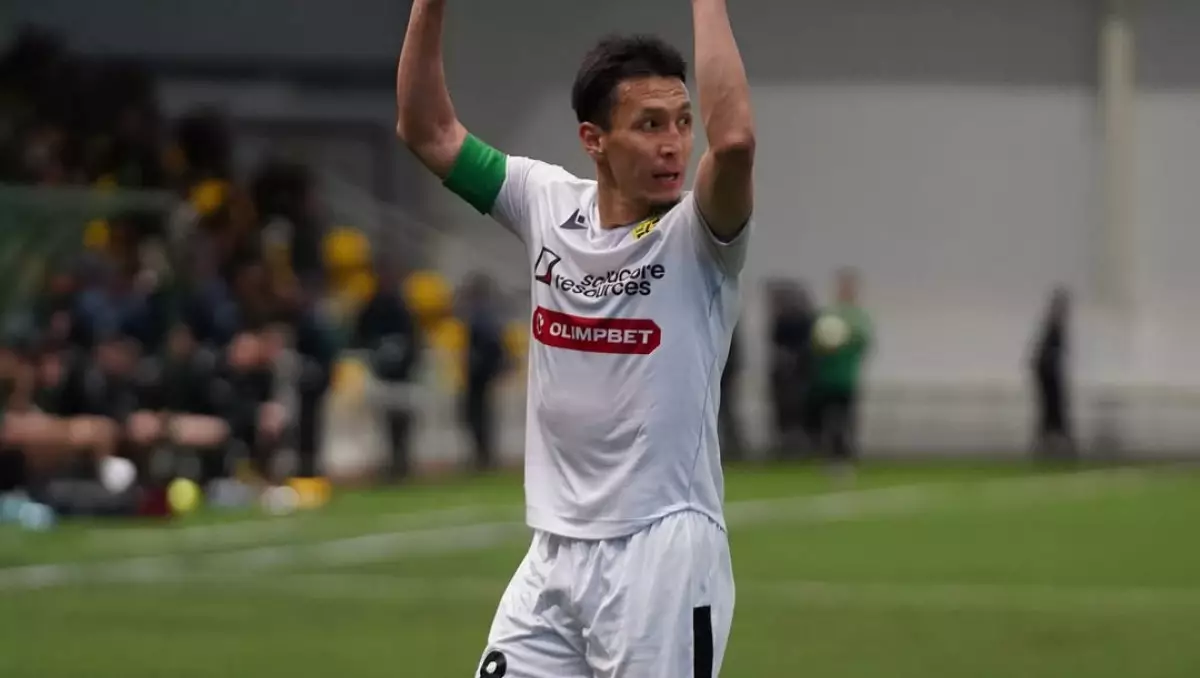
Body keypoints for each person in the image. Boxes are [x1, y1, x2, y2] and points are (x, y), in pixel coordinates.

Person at [396, 0, 755, 675]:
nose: (675, 144)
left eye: (682, 122)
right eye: (649, 125)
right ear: (594, 139)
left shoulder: (699, 235)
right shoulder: (544, 201)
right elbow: (428, 129)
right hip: (553, 553)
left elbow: (733, 142)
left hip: (660, 554)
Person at [808, 268, 871, 472]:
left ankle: (846, 457)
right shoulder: (828, 315)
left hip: (847, 378)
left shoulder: (858, 317)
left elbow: (864, 342)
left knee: (846, 419)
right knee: (828, 419)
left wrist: (846, 342)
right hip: (827, 378)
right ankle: (829, 457)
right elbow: (814, 342)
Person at [1030, 286, 1073, 458]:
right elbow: (1043, 359)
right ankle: (1052, 446)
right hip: (1049, 378)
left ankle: (1053, 445)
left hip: (1050, 377)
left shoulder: (1053, 329)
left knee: (1054, 413)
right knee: (1052, 412)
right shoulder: (1052, 329)